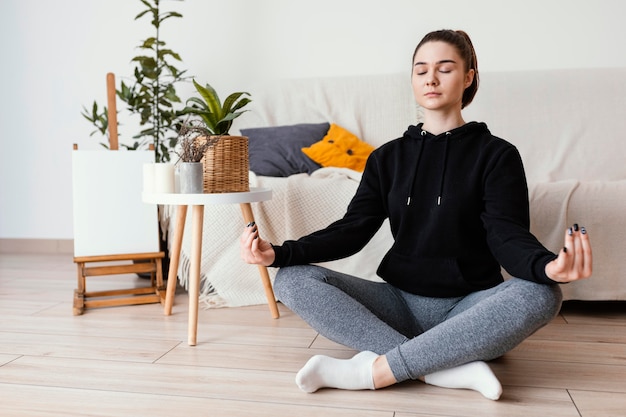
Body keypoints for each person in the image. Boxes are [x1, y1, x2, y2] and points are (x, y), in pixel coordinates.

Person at [240, 29, 593, 401]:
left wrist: (545, 267)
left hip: (469, 310)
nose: (431, 78)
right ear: (412, 78)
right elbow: (351, 230)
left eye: (445, 68)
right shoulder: (387, 158)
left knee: (542, 294)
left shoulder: (497, 155)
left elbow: (506, 234)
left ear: (468, 77)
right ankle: (442, 368)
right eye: (421, 69)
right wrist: (279, 253)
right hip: (399, 303)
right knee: (290, 280)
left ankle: (375, 370)